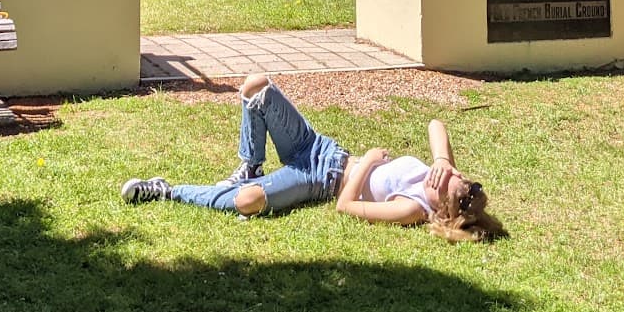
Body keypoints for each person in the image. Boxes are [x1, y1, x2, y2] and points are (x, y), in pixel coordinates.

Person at [120, 73, 505, 242]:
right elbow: (437, 123)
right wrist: (442, 160)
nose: (438, 180)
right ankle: (249, 166)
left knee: (248, 202)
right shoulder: (444, 174)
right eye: (452, 176)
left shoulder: (413, 209)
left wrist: (369, 162)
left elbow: (345, 206)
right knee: (257, 86)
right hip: (322, 148)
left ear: (441, 209)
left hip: (320, 179)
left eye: (444, 186)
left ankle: (168, 191)